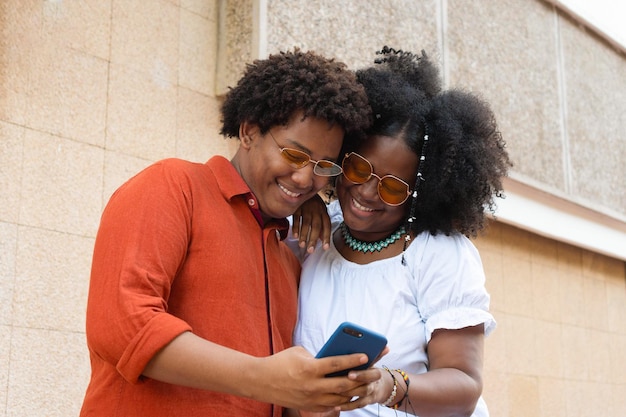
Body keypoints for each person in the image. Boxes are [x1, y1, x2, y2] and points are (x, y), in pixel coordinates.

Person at [79, 48, 382, 417]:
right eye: (294, 155)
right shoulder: (173, 186)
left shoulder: (288, 254)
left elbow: (260, 396)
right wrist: (263, 378)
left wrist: (306, 403)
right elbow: (122, 327)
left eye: (323, 166)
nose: (306, 179)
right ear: (248, 130)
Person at [288, 46, 512, 417]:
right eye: (358, 169)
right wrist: (308, 195)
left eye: (392, 187)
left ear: (420, 198)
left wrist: (385, 385)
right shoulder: (315, 230)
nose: (365, 192)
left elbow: (464, 386)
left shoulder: (438, 254)